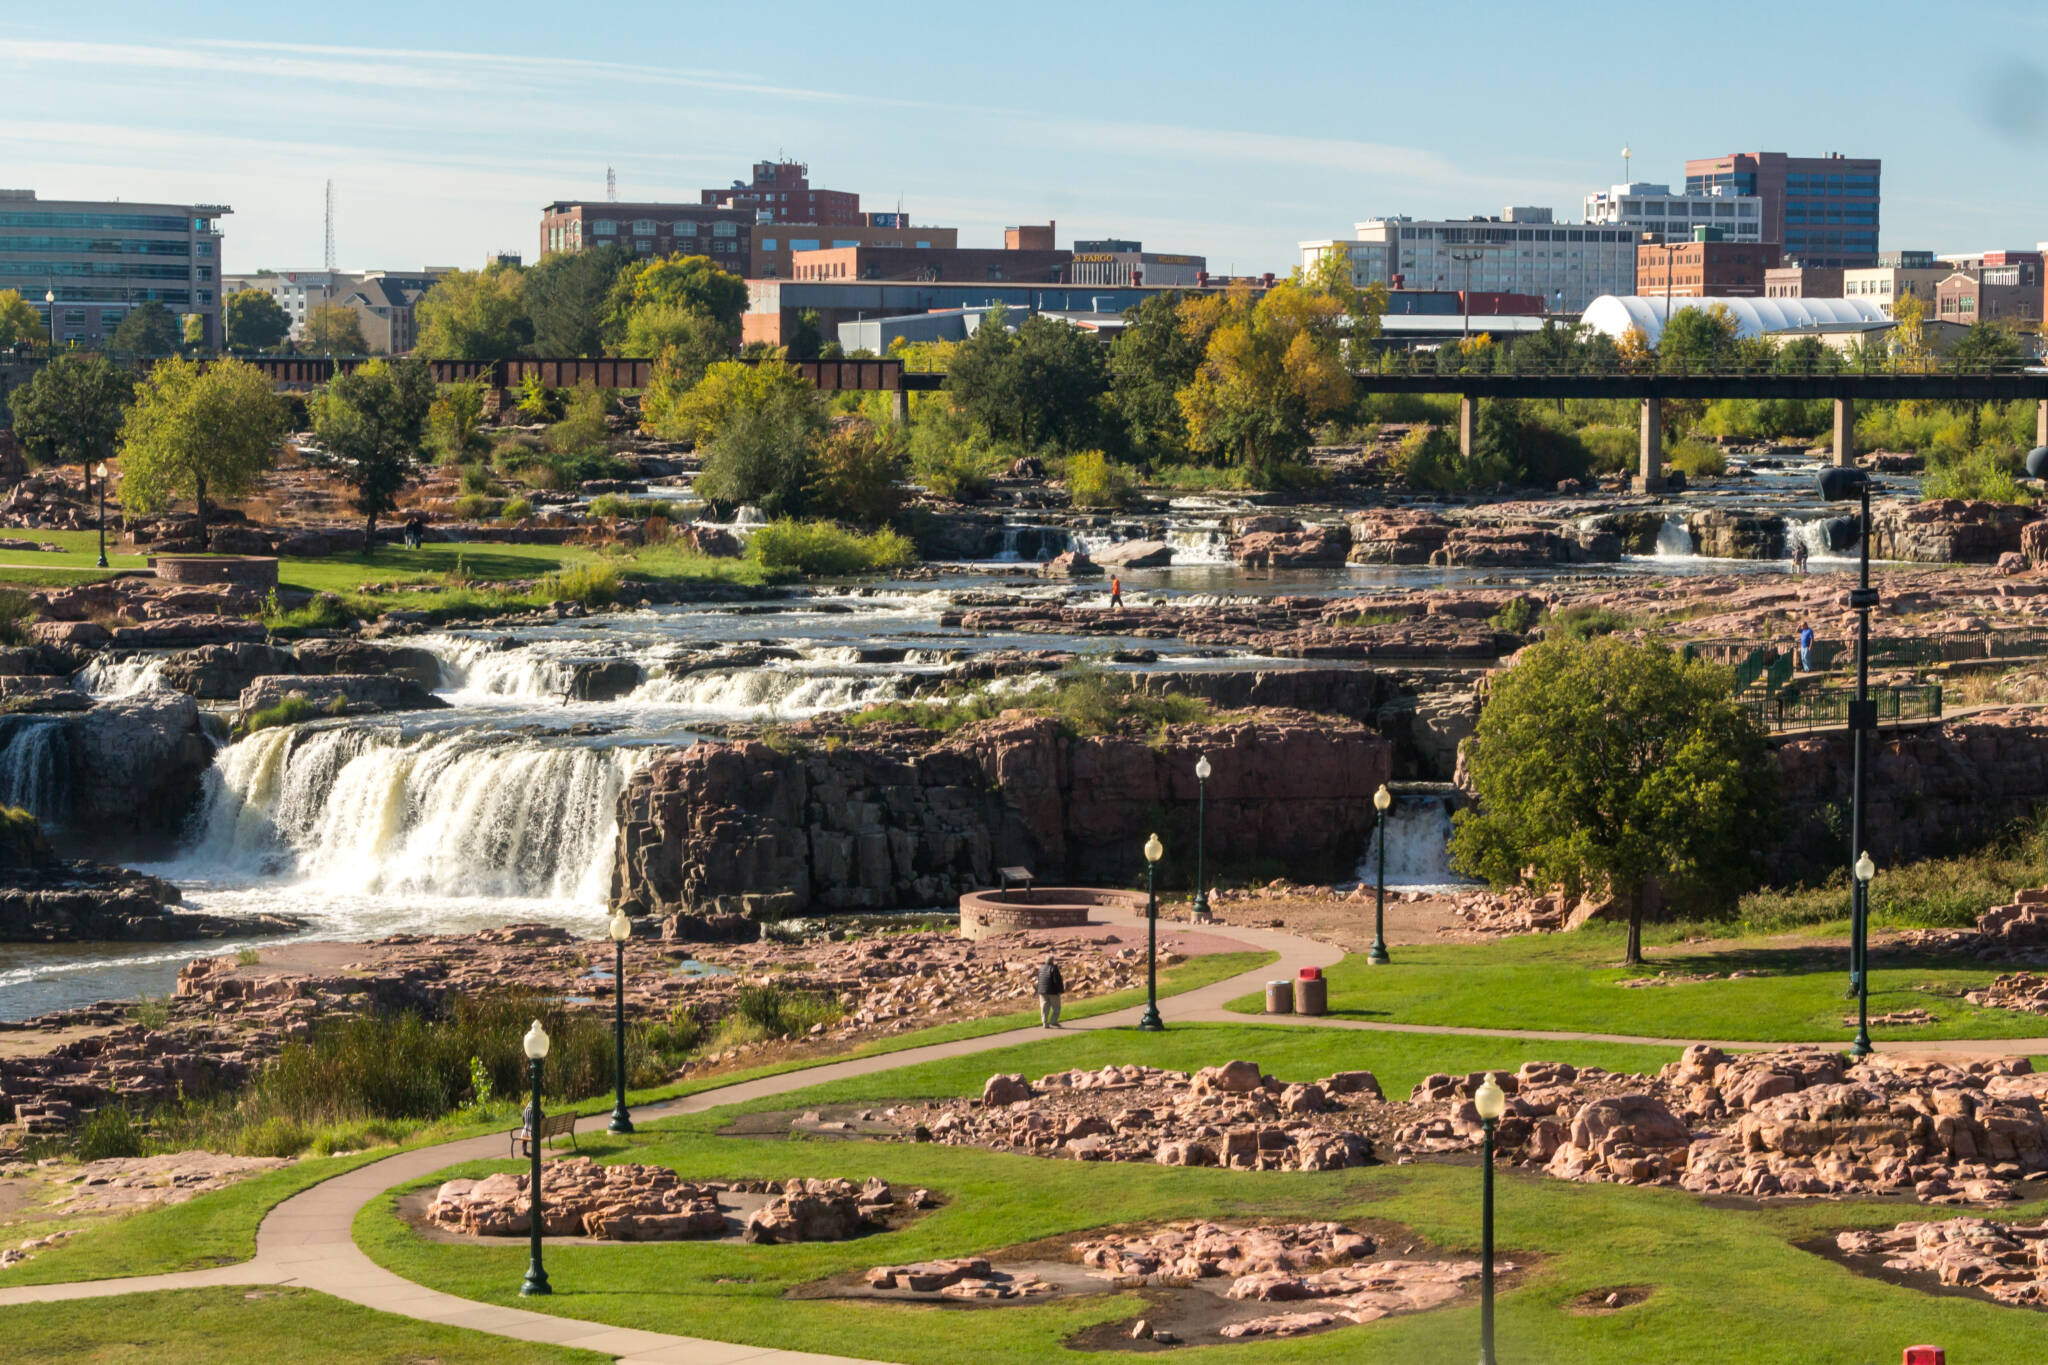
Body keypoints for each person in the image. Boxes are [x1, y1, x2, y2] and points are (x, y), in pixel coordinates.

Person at [1036, 955, 1065, 1028]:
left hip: (1042, 991)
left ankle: (1044, 1023)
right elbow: (1057, 981)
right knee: (1056, 1007)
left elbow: (1039, 979)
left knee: (1044, 1007)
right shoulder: (1054, 968)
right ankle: (1053, 1021)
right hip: (1052, 991)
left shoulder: (1041, 968)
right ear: (1052, 961)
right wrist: (1060, 990)